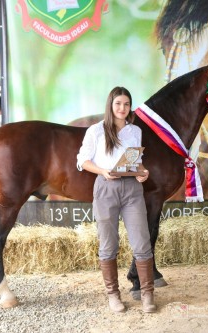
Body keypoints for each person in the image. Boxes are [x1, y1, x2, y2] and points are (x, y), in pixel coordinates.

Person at [76, 86, 156, 313]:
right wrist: (102, 171)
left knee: (141, 241)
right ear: (110, 104)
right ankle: (113, 295)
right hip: (106, 188)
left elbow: (134, 161)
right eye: (118, 103)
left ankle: (147, 293)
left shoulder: (135, 131)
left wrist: (142, 172)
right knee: (108, 244)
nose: (122, 108)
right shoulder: (96, 131)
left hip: (132, 189)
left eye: (127, 104)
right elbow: (82, 160)